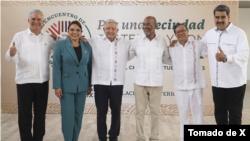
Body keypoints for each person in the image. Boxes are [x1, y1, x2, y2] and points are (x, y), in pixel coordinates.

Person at [5, 9, 56, 141]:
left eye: (39, 19)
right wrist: (11, 53)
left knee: (40, 114)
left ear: (43, 22)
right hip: (24, 82)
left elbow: (63, 47)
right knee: (25, 115)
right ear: (28, 20)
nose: (36, 21)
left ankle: (38, 138)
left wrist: (61, 38)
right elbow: (10, 58)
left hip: (42, 81)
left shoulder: (48, 38)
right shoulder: (19, 36)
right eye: (33, 19)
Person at [201, 5, 249, 125]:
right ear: (214, 18)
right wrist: (181, 42)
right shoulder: (209, 34)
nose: (220, 20)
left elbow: (244, 56)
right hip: (217, 83)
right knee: (220, 114)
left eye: (223, 17)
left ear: (228, 17)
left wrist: (226, 58)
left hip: (235, 83)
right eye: (217, 17)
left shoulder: (239, 33)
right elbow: (201, 49)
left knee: (235, 115)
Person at [88, 19, 131, 141]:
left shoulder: (126, 43)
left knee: (116, 111)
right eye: (108, 28)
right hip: (100, 82)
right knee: (101, 111)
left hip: (117, 83)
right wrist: (58, 37)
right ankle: (102, 137)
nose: (110, 31)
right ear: (103, 30)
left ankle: (113, 136)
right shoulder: (95, 41)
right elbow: (77, 39)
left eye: (113, 28)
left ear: (117, 30)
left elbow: (138, 49)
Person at [129, 16, 170, 141]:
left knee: (155, 112)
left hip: (156, 82)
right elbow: (127, 56)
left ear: (155, 25)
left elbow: (166, 59)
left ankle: (154, 137)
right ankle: (140, 137)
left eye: (148, 24)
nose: (145, 27)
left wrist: (176, 48)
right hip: (140, 82)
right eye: (144, 24)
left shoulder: (162, 41)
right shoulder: (136, 40)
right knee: (140, 112)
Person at [53, 20, 92, 141]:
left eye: (78, 30)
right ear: (68, 32)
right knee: (67, 116)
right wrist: (57, 86)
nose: (75, 32)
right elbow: (56, 66)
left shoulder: (86, 45)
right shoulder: (60, 45)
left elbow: (89, 66)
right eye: (72, 30)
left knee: (78, 115)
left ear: (81, 32)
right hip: (66, 87)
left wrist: (89, 84)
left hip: (82, 86)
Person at [168, 23, 207, 141]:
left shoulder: (198, 44)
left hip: (196, 85)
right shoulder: (172, 48)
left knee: (198, 115)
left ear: (187, 31)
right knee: (183, 116)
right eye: (178, 32)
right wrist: (169, 46)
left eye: (182, 30)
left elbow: (208, 53)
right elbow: (165, 59)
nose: (180, 33)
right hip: (180, 87)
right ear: (175, 34)